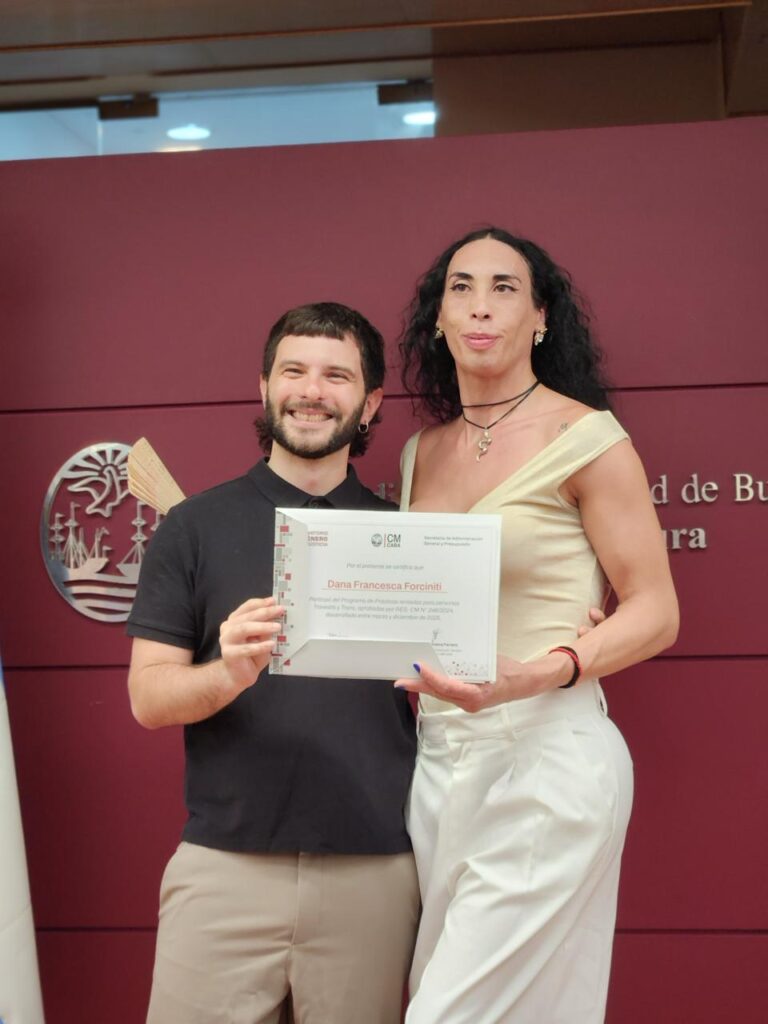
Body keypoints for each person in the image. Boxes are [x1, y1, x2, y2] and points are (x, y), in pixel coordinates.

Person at [395, 227, 679, 1024]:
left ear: (541, 316)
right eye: (460, 287)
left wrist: (540, 669)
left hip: (547, 758)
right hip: (438, 764)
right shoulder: (420, 453)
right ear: (438, 319)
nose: (480, 306)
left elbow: (657, 610)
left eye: (505, 287)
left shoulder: (585, 437)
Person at [126, 302, 420, 1024]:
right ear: (264, 387)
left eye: (336, 376)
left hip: (373, 873)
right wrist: (228, 671)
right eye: (293, 371)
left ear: (370, 402)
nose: (311, 391)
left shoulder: (410, 539)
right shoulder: (194, 527)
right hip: (223, 869)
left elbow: (468, 677)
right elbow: (149, 698)